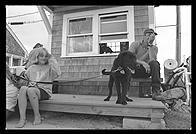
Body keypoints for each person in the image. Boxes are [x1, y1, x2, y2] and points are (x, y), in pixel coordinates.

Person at [15, 47, 61, 128]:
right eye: (41, 56)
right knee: (23, 89)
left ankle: (37, 116)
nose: (43, 58)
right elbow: (25, 80)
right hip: (31, 89)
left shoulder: (50, 67)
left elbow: (58, 73)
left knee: (31, 90)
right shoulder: (32, 67)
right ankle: (22, 118)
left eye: (45, 56)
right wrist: (27, 82)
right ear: (37, 57)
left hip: (44, 91)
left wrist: (52, 58)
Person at [129, 28, 162, 100]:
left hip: (147, 71)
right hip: (135, 70)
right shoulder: (135, 44)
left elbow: (152, 61)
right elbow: (130, 59)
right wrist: (143, 63)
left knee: (155, 63)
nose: (151, 37)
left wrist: (149, 46)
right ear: (144, 36)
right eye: (148, 35)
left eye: (152, 35)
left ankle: (156, 91)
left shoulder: (154, 48)